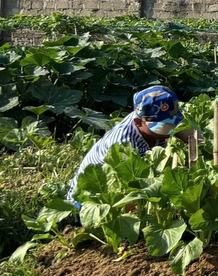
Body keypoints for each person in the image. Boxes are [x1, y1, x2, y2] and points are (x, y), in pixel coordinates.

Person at [67, 86, 197, 206]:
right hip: (89, 201)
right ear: (138, 122)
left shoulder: (148, 119)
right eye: (163, 127)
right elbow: (123, 191)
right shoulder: (123, 145)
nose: (169, 131)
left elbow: (192, 135)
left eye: (172, 124)